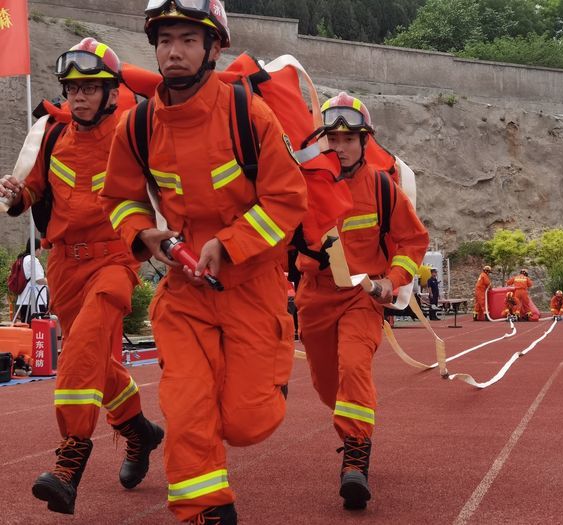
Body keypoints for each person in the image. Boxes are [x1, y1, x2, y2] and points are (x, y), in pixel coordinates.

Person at [99, 1, 307, 523]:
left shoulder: (247, 113)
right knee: (187, 407)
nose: (174, 51)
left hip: (252, 287)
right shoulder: (138, 124)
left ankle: (269, 376)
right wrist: (145, 233)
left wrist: (230, 244)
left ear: (214, 47)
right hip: (184, 292)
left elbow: (286, 199)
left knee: (246, 422)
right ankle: (204, 511)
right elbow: (120, 198)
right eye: (165, 39)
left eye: (189, 40)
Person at [0, 38, 163, 516]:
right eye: (73, 88)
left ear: (112, 92)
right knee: (90, 357)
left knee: (82, 347)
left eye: (91, 88)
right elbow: (33, 189)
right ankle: (139, 431)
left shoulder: (134, 132)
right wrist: (15, 196)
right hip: (64, 265)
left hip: (116, 258)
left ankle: (70, 460)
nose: (80, 96)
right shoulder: (52, 134)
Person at [294, 92, 429, 511]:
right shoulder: (304, 184)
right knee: (326, 383)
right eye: (332, 138)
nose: (340, 146)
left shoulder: (382, 188)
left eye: (349, 138)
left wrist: (393, 279)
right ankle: (352, 428)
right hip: (314, 297)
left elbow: (412, 241)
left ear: (364, 141)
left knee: (354, 365)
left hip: (361, 298)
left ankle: (355, 456)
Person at [14, 238, 49, 323]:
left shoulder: (23, 258)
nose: (41, 251)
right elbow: (39, 280)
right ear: (37, 249)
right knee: (38, 328)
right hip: (35, 300)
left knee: (26, 326)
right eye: (41, 249)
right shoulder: (33, 260)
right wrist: (52, 281)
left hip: (24, 300)